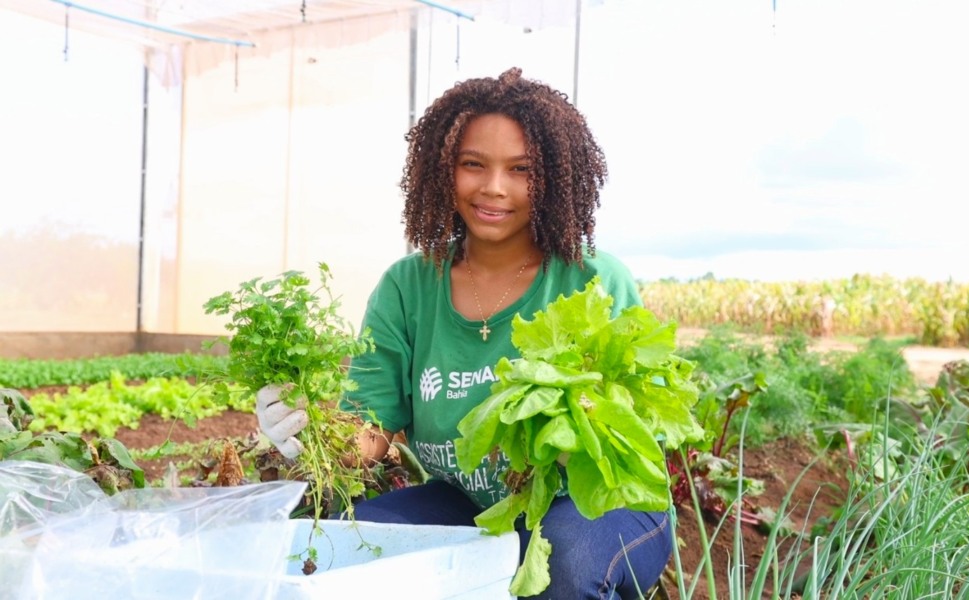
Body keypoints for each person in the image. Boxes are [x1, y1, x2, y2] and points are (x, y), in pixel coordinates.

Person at [256, 67, 672, 599]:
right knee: (349, 551)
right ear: (442, 169)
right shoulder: (408, 287)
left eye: (521, 169)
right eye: (473, 164)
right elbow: (369, 432)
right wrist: (307, 429)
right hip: (471, 503)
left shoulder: (592, 279)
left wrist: (587, 441)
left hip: (602, 502)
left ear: (554, 177)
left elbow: (643, 429)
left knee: (562, 567)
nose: (493, 187)